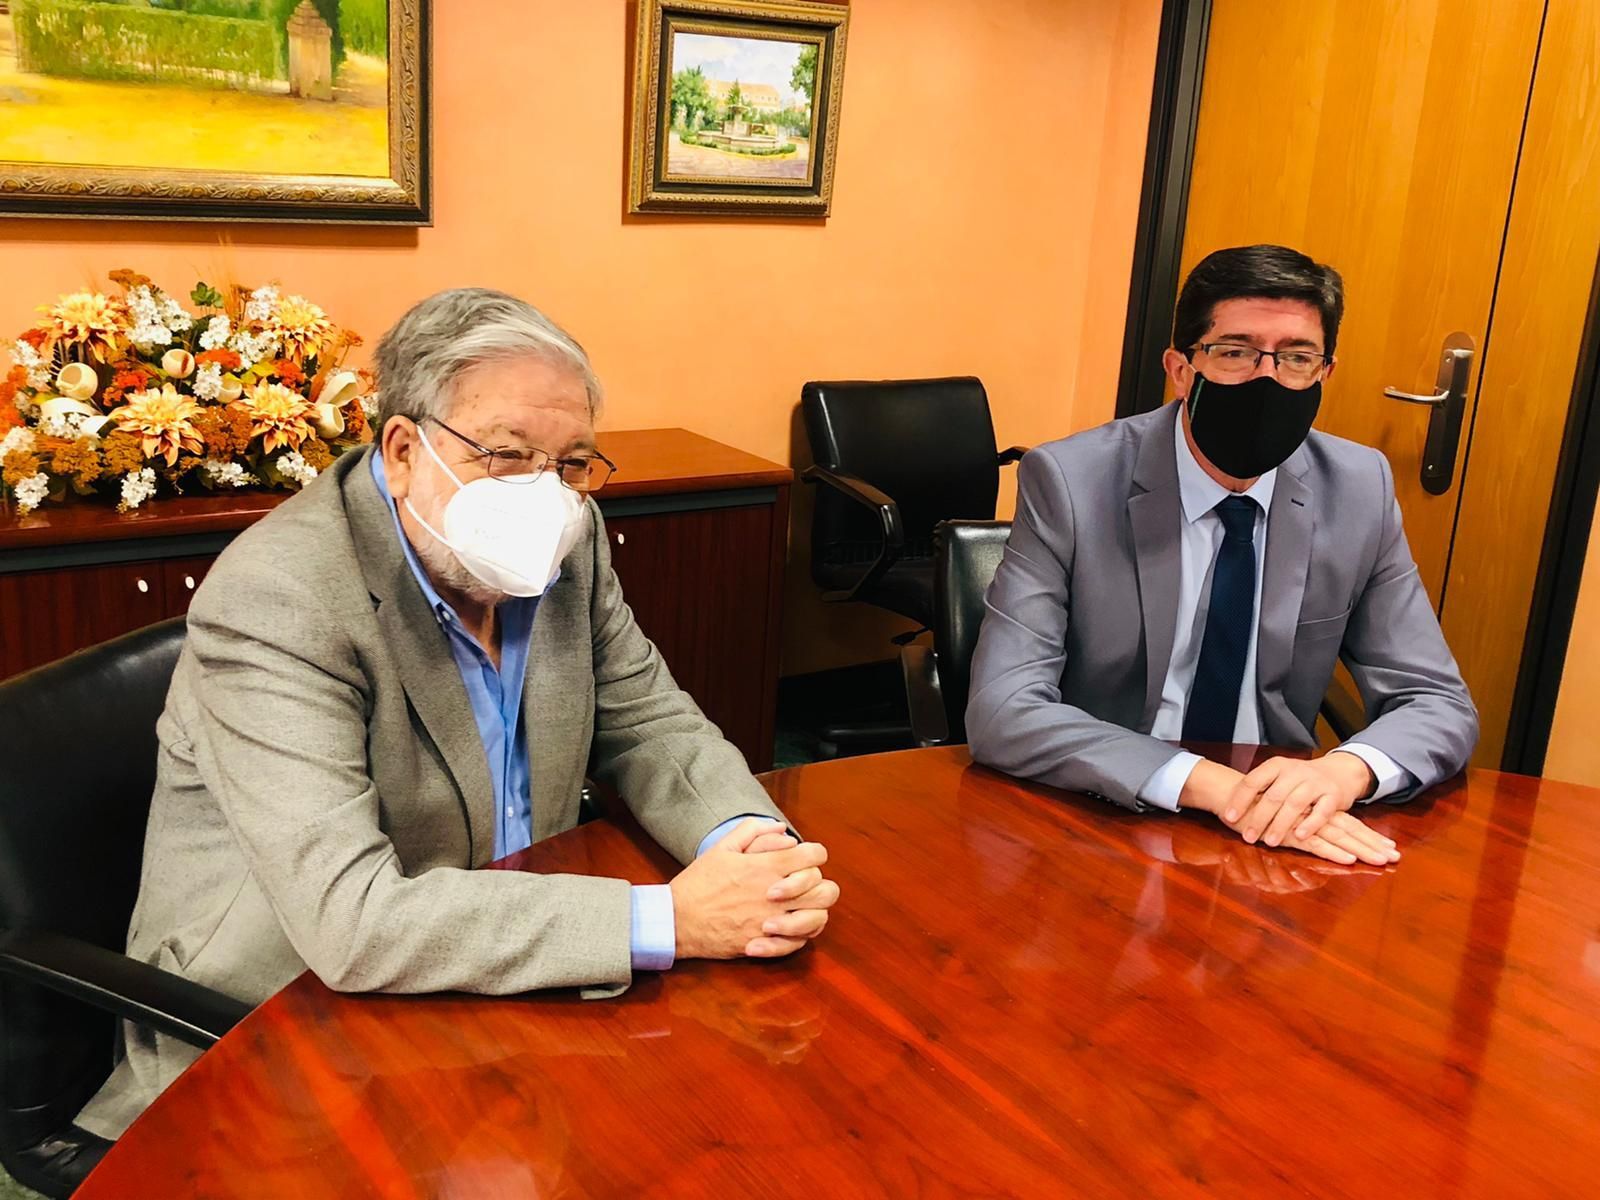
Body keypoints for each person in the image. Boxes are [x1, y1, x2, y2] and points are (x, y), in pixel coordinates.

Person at [77, 288, 839, 1139]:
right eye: (508, 455)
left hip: (502, 972)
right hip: (283, 1018)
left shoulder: (566, 541)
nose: (545, 497)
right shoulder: (280, 597)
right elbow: (353, 920)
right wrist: (672, 919)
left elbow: (650, 719)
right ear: (403, 451)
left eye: (571, 463)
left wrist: (749, 847)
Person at [966, 244, 1478, 864]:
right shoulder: (1073, 481)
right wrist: (1213, 786)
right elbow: (1004, 708)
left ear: (1324, 374)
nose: (1268, 377)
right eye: (1234, 353)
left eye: (1296, 357)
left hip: (1279, 828)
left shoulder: (1357, 487)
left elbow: (1436, 700)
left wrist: (1343, 770)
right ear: (1181, 369)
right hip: (1115, 809)